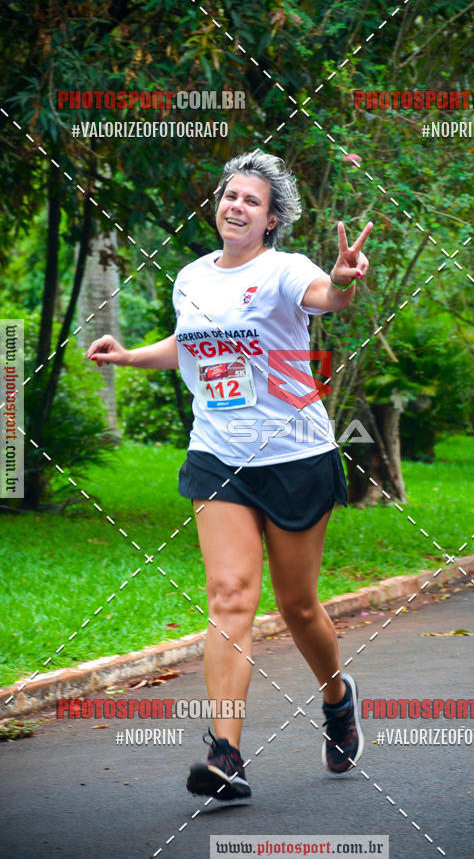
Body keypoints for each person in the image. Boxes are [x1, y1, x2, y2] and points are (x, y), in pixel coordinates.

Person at [86, 149, 372, 800]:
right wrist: (130, 355)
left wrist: (346, 279)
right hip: (219, 457)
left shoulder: (285, 271)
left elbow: (329, 296)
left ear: (272, 219)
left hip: (295, 455)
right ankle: (226, 754)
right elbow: (189, 343)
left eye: (251, 199)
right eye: (229, 195)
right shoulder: (191, 277)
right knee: (230, 595)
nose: (235, 204)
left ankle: (337, 698)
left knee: (297, 606)